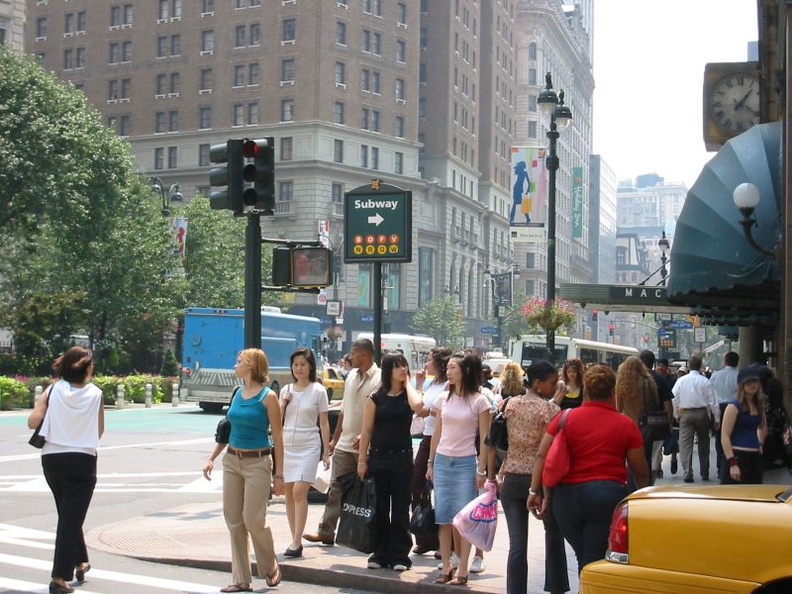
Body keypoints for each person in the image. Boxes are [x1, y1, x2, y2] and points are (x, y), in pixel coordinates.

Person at [529, 364, 648, 573]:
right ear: (613, 392)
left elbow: (542, 454)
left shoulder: (564, 417)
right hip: (606, 498)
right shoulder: (626, 424)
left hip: (566, 500)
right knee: (593, 557)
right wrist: (643, 493)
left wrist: (535, 491)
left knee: (584, 554)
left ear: (586, 390)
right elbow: (639, 469)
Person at [202, 348, 284, 593]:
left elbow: (278, 439)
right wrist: (211, 458)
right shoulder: (237, 392)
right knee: (234, 520)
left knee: (253, 519)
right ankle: (241, 579)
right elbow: (226, 429)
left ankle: (269, 565)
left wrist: (279, 475)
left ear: (252, 366)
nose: (235, 366)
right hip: (232, 461)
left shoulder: (269, 397)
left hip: (258, 462)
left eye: (239, 362)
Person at [27, 346, 104, 594]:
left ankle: (81, 560)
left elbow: (32, 422)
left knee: (68, 514)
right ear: (88, 369)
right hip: (82, 458)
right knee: (71, 516)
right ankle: (59, 578)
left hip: (52, 459)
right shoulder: (97, 394)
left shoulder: (52, 390)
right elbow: (99, 431)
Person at [489, 360, 568, 594]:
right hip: (541, 480)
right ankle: (556, 587)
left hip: (512, 476)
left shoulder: (509, 404)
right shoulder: (550, 410)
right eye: (552, 383)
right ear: (537, 383)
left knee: (517, 546)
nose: (555, 387)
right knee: (553, 534)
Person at [304, 338, 381, 546]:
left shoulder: (380, 378)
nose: (350, 356)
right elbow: (344, 411)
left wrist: (368, 435)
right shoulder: (350, 377)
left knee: (369, 492)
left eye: (354, 352)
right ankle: (326, 531)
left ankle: (369, 534)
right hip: (345, 444)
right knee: (336, 488)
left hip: (369, 447)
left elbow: (381, 413)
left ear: (364, 354)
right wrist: (334, 440)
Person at [427, 350, 492, 586]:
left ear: (465, 371)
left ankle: (463, 568)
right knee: (442, 517)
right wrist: (430, 462)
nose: (448, 371)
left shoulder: (480, 400)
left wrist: (481, 470)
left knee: (463, 519)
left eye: (453, 367)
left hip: (466, 462)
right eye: (448, 367)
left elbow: (485, 438)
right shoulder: (443, 398)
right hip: (443, 461)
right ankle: (447, 565)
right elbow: (437, 432)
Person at [357, 351, 424, 571]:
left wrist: (409, 384)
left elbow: (417, 406)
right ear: (388, 370)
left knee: (401, 507)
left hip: (403, 458)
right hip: (378, 457)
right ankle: (380, 552)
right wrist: (362, 461)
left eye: (404, 365)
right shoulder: (376, 397)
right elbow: (366, 431)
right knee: (380, 506)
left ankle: (400, 555)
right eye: (397, 366)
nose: (402, 369)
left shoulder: (408, 395)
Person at [279, 348, 331, 557]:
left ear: (310, 366)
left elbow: (324, 423)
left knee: (300, 491)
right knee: (289, 494)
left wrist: (326, 451)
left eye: (302, 364)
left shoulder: (318, 390)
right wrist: (283, 402)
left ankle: (296, 541)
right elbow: (277, 420)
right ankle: (295, 540)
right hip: (287, 445)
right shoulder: (286, 390)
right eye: (295, 365)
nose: (298, 368)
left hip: (309, 445)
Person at [410, 346, 451, 556]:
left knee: (441, 490)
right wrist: (418, 384)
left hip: (443, 438)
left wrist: (427, 411)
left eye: (429, 359)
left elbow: (434, 410)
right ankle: (424, 536)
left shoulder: (448, 385)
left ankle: (444, 541)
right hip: (427, 437)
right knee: (417, 484)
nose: (426, 363)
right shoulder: (433, 383)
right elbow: (421, 404)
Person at [671, 355, 719, 483]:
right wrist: (717, 418)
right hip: (702, 413)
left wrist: (676, 414)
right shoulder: (705, 381)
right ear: (700, 365)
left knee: (685, 444)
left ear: (689, 366)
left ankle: (687, 472)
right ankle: (704, 472)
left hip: (685, 414)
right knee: (704, 442)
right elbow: (713, 402)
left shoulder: (681, 381)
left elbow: (673, 398)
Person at [616, 355, 663, 484]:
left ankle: (630, 483)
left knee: (626, 457)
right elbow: (653, 403)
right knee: (644, 457)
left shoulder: (621, 383)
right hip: (644, 425)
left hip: (626, 424)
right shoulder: (647, 381)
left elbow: (618, 407)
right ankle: (644, 484)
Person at [720, 366, 767, 484]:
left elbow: (763, 427)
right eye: (748, 382)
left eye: (755, 381)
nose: (752, 385)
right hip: (737, 455)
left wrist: (760, 443)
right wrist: (732, 463)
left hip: (755, 457)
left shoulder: (759, 404)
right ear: (742, 385)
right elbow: (725, 436)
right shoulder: (733, 406)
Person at [709, 351, 739, 478]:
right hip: (735, 408)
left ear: (725, 362)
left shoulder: (715, 375)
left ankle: (720, 468)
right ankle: (732, 463)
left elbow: (710, 393)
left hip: (719, 409)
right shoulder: (739, 375)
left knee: (720, 437)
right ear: (737, 362)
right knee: (734, 437)